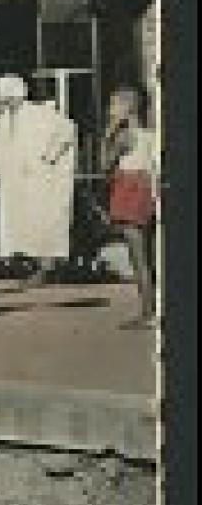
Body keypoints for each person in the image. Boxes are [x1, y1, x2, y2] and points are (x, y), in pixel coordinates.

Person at [0, 75, 78, 281]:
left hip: (40, 180)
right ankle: (32, 266)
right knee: (22, 225)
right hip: (17, 182)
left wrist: (49, 156)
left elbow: (67, 129)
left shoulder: (39, 112)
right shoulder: (7, 119)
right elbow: (2, 147)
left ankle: (47, 268)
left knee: (42, 222)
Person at [102, 87, 157, 329]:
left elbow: (105, 164)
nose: (110, 110)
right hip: (143, 185)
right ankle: (151, 308)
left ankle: (147, 312)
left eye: (114, 105)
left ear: (127, 107)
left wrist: (108, 133)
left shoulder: (125, 136)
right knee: (146, 253)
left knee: (138, 257)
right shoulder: (148, 134)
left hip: (129, 187)